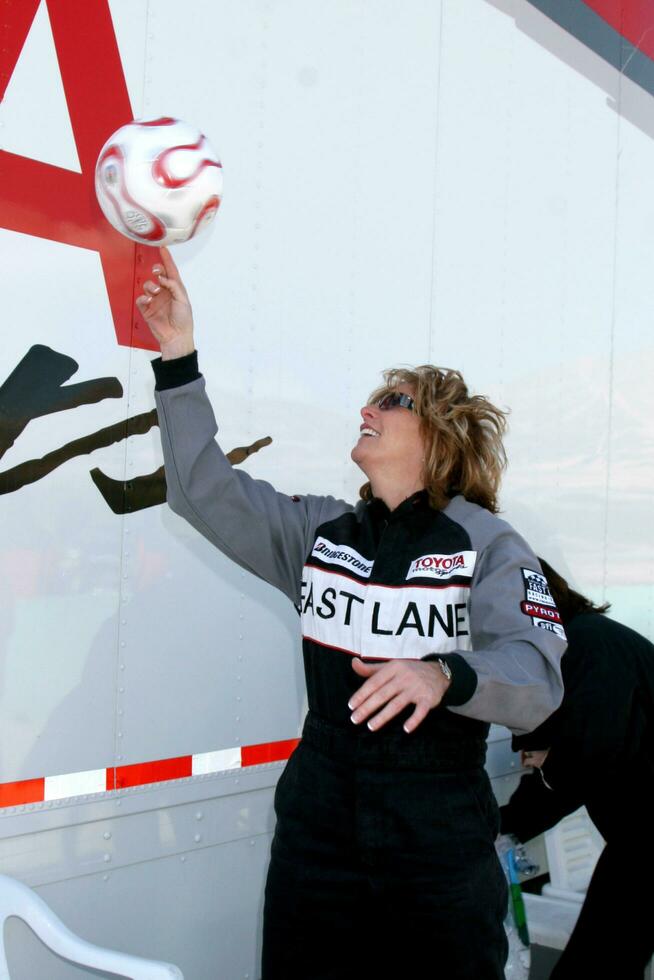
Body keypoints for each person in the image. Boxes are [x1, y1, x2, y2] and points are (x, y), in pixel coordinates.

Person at [136, 247, 565, 980]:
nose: (367, 410)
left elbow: (536, 677)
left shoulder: (489, 544)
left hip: (437, 836)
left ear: (441, 437)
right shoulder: (319, 532)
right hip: (318, 828)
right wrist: (178, 357)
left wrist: (444, 675)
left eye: (392, 402)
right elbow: (201, 488)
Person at [500, 559, 654, 980]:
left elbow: (587, 755)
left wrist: (505, 822)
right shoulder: (589, 645)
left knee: (593, 966)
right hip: (639, 839)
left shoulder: (588, 646)